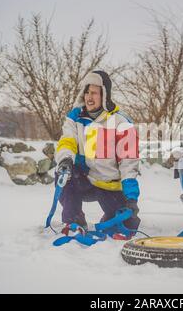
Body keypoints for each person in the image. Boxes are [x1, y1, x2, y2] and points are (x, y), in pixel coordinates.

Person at [54, 70, 141, 240]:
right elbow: (67, 141)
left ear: (104, 95)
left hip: (109, 185)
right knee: (63, 173)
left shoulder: (121, 123)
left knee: (127, 225)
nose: (89, 96)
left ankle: (111, 216)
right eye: (86, 92)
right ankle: (74, 220)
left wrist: (131, 197)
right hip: (84, 180)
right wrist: (65, 159)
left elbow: (129, 163)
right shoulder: (75, 117)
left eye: (94, 92)